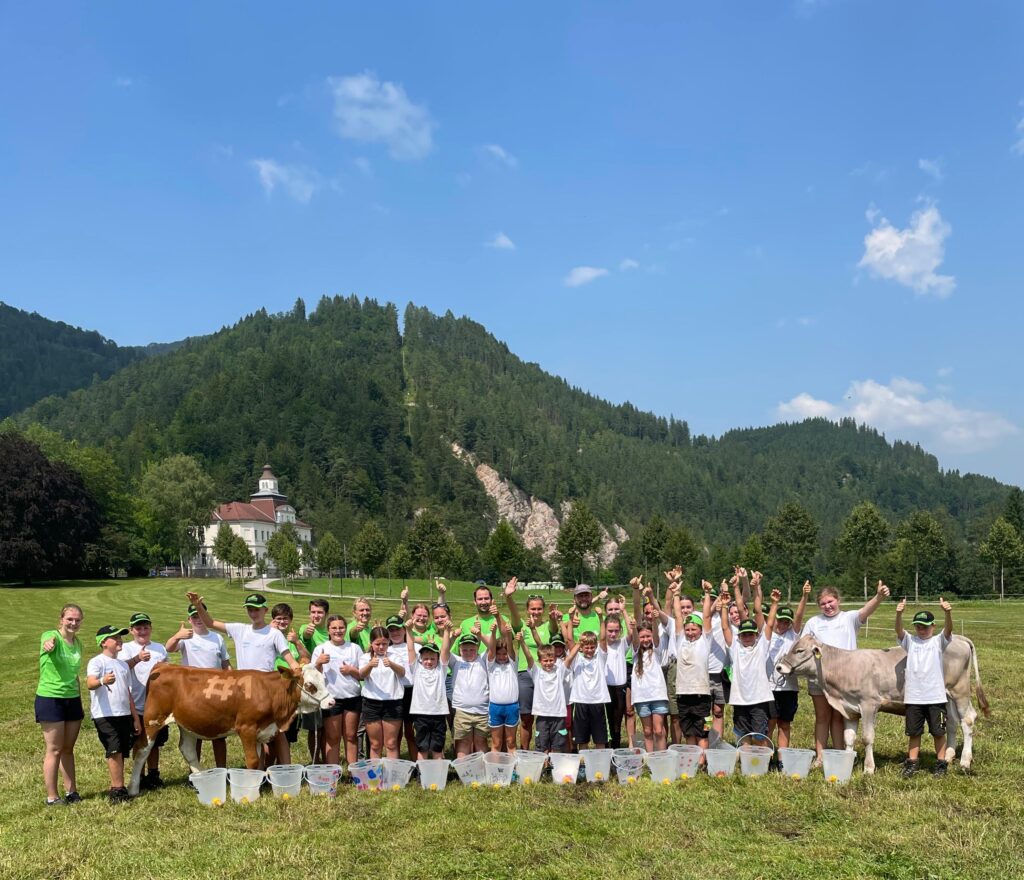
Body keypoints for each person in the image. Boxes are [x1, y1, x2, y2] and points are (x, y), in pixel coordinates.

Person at [802, 580, 890, 762]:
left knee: (839, 716)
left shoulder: (849, 618)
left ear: (838, 600)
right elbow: (804, 645)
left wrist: (879, 597)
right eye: (823, 604)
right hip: (820, 679)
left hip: (846, 680)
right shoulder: (813, 622)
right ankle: (820, 757)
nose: (827, 606)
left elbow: (866, 610)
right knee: (822, 717)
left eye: (830, 602)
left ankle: (838, 755)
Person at [166, 601, 230, 768]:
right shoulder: (186, 637)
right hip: (192, 691)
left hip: (216, 689)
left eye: (200, 615)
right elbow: (169, 648)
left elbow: (225, 663)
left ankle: (221, 769)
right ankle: (195, 771)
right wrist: (177, 636)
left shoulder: (217, 637)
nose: (198, 619)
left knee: (220, 733)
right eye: (194, 616)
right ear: (189, 619)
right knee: (195, 732)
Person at [896, 597, 954, 777]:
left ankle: (941, 763)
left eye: (925, 626)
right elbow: (899, 631)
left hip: (936, 697)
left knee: (938, 732)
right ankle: (912, 763)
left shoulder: (938, 641)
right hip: (914, 697)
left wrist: (948, 613)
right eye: (918, 626)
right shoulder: (910, 641)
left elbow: (949, 629)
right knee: (914, 732)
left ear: (933, 626)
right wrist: (899, 614)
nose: (921, 629)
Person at [86, 625, 141, 803]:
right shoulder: (97, 662)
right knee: (114, 749)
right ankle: (117, 789)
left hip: (124, 713)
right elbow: (90, 683)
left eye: (120, 637)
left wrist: (135, 718)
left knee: (122, 750)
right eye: (114, 637)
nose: (119, 640)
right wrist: (103, 680)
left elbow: (128, 692)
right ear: (103, 642)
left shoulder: (123, 665)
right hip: (105, 714)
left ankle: (120, 785)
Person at [36, 604, 85, 805]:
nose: (73, 623)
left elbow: (74, 676)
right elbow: (48, 642)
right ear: (61, 620)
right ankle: (52, 796)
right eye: (70, 619)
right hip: (50, 698)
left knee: (68, 748)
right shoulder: (51, 635)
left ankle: (71, 792)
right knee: (54, 749)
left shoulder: (78, 643)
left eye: (77, 620)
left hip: (72, 698)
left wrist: (79, 698)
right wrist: (48, 645)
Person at [185, 591, 301, 673]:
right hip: (242, 687)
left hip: (264, 687)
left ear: (265, 610)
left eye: (256, 610)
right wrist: (198, 606)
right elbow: (210, 623)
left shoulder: (274, 634)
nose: (253, 614)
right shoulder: (239, 630)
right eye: (250, 610)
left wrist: (300, 671)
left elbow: (291, 661)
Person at [503, 580, 558, 750]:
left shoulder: (549, 625)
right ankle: (524, 752)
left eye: (539, 608)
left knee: (546, 715)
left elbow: (555, 629)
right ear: (527, 610)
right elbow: (513, 615)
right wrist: (509, 597)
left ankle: (545, 752)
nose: (536, 612)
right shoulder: (522, 627)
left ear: (543, 609)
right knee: (526, 717)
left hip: (546, 675)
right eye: (532, 609)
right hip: (524, 674)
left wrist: (552, 618)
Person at [119, 612, 169, 790]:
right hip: (135, 702)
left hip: (157, 704)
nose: (142, 631)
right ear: (132, 630)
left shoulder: (159, 648)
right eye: (138, 628)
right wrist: (137, 659)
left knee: (154, 741)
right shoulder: (125, 648)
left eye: (145, 627)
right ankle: (138, 775)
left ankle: (153, 774)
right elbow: (120, 670)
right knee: (138, 741)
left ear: (151, 628)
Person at [720, 585, 774, 741]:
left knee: (759, 736)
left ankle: (760, 763)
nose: (748, 637)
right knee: (743, 735)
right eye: (744, 634)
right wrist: (724, 606)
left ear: (757, 635)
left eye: (751, 634)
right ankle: (746, 763)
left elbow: (768, 623)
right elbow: (725, 627)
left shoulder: (761, 646)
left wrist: (774, 603)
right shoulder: (734, 646)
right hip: (739, 699)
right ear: (739, 636)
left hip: (759, 699)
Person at [310, 615, 363, 765]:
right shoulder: (321, 649)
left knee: (351, 735)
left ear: (345, 629)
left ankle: (353, 771)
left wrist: (351, 670)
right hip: (331, 698)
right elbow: (313, 678)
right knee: (332, 737)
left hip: (352, 696)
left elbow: (362, 675)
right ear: (328, 630)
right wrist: (319, 663)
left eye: (341, 628)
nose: (338, 631)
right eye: (334, 628)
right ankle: (333, 772)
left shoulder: (354, 648)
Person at [766, 582, 810, 758]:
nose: (783, 624)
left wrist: (804, 596)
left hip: (789, 688)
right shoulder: (767, 634)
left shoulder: (793, 635)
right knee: (770, 723)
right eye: (780, 620)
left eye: (787, 621)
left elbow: (799, 615)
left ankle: (781, 757)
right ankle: (767, 756)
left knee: (785, 723)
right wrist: (773, 603)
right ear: (775, 619)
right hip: (769, 687)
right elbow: (765, 620)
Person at [672, 584, 716, 758]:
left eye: (694, 629)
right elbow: (677, 615)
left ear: (700, 630)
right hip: (683, 694)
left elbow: (706, 616)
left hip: (702, 695)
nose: (690, 632)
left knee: (703, 732)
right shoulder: (680, 641)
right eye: (687, 629)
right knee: (688, 732)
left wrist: (706, 593)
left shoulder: (705, 641)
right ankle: (691, 760)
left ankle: (702, 761)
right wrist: (676, 593)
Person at [629, 577, 672, 752]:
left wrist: (654, 618)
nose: (646, 639)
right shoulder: (635, 651)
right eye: (643, 637)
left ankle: (660, 757)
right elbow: (638, 614)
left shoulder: (657, 648)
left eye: (648, 636)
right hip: (641, 697)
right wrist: (636, 592)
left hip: (658, 695)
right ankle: (649, 757)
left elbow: (654, 634)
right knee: (647, 731)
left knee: (659, 730)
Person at [269, 603, 310, 765]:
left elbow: (307, 658)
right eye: (278, 618)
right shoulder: (268, 635)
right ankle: (267, 766)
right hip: (272, 690)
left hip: (291, 693)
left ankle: (280, 766)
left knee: (286, 734)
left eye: (285, 618)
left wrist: (297, 642)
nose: (282, 622)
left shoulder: (293, 638)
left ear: (291, 620)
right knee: (270, 733)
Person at [565, 606, 610, 750]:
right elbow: (569, 639)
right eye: (586, 647)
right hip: (580, 701)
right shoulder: (577, 658)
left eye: (592, 647)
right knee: (581, 739)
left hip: (598, 701)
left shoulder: (600, 657)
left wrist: (601, 617)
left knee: (600, 738)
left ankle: (600, 765)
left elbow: (603, 638)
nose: (589, 650)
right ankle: (584, 766)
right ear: (582, 647)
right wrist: (571, 620)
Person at [520, 631, 571, 754]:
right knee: (542, 743)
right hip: (542, 715)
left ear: (555, 659)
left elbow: (570, 657)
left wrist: (579, 643)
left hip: (558, 714)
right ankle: (543, 767)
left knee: (558, 743)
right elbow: (529, 657)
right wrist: (521, 641)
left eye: (551, 660)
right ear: (540, 661)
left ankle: (555, 767)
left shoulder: (560, 671)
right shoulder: (537, 672)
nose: (548, 663)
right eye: (545, 661)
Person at [359, 625, 405, 759]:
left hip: (393, 702)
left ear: (389, 643)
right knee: (375, 744)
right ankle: (375, 777)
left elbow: (402, 673)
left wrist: (391, 664)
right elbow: (362, 675)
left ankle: (391, 776)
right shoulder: (365, 657)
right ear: (371, 644)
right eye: (377, 644)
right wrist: (370, 665)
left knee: (391, 743)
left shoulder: (394, 656)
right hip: (371, 703)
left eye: (384, 644)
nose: (381, 647)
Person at [407, 623, 452, 760]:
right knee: (422, 747)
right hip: (420, 714)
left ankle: (437, 776)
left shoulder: (441, 670)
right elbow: (410, 649)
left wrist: (446, 631)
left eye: (432, 658)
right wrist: (408, 630)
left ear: (438, 659)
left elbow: (445, 649)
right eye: (426, 658)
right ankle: (423, 775)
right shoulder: (416, 668)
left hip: (438, 714)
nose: (429, 661)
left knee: (437, 748)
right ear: (421, 658)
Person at [449, 625, 490, 757]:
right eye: (464, 649)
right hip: (462, 711)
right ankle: (464, 772)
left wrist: (480, 634)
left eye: (472, 649)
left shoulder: (483, 659)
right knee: (463, 742)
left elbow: (492, 646)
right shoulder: (456, 660)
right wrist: (453, 637)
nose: (468, 652)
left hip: (482, 710)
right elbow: (443, 651)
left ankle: (482, 770)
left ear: (477, 648)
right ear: (459, 650)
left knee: (481, 740)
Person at [300, 599, 330, 762]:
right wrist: (306, 635)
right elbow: (305, 637)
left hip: (331, 685)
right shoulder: (306, 629)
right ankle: (315, 760)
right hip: (313, 687)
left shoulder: (331, 632)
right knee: (314, 727)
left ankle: (328, 759)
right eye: (313, 612)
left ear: (326, 614)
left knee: (328, 727)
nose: (316, 615)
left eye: (319, 612)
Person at [485, 613, 520, 754]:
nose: (501, 656)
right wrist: (493, 633)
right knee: (496, 742)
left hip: (512, 706)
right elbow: (492, 651)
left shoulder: (513, 664)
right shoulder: (491, 665)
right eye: (499, 654)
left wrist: (508, 635)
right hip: (495, 707)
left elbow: (511, 650)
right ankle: (495, 771)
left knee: (511, 742)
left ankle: (513, 772)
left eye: (504, 654)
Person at [385, 614, 418, 758]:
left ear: (404, 630)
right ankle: (396, 766)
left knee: (411, 733)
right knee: (395, 734)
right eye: (391, 630)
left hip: (412, 691)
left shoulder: (415, 647)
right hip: (393, 693)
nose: (395, 633)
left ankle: (417, 766)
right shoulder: (384, 649)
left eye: (398, 629)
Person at [603, 606, 633, 749]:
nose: (613, 634)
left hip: (619, 688)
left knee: (616, 723)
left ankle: (615, 749)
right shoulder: (600, 646)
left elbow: (632, 632)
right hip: (605, 689)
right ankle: (604, 750)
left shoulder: (622, 644)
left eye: (616, 631)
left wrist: (624, 611)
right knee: (605, 723)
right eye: (610, 631)